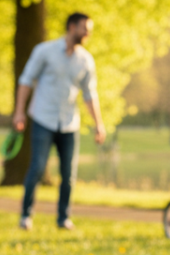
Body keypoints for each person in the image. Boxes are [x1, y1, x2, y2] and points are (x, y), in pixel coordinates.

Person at [13, 12, 106, 232]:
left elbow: (89, 94)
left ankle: (63, 218)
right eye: (85, 28)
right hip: (43, 118)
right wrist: (19, 112)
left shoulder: (85, 60)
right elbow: (26, 80)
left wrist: (98, 124)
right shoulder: (44, 51)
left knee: (69, 174)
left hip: (69, 123)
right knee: (36, 168)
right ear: (72, 27)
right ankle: (26, 215)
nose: (87, 33)